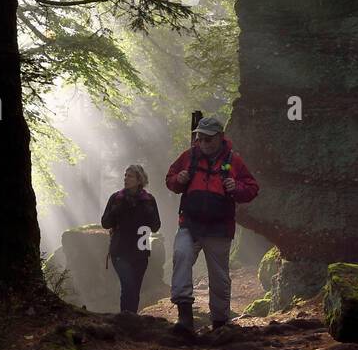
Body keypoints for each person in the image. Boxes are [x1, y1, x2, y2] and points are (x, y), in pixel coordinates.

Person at [165, 115, 259, 332]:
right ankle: (184, 316)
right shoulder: (188, 157)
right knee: (181, 256)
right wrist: (178, 179)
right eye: (200, 138)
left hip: (219, 227)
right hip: (190, 224)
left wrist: (236, 186)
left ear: (220, 137)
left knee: (219, 277)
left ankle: (219, 323)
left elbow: (252, 188)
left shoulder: (234, 161)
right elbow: (170, 179)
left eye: (209, 139)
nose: (204, 143)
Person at [100, 164, 161, 314]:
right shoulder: (116, 198)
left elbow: (155, 226)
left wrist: (149, 212)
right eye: (125, 176)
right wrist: (115, 211)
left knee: (134, 289)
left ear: (140, 180)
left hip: (141, 251)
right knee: (128, 286)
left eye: (130, 176)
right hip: (119, 251)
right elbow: (105, 223)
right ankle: (126, 319)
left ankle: (130, 319)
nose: (126, 178)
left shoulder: (149, 200)